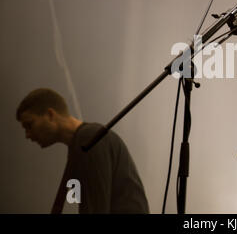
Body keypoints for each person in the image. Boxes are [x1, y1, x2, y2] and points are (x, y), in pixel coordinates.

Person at [16, 88, 150, 214]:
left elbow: (96, 209)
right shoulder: (81, 144)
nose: (28, 135)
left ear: (50, 115)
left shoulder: (89, 140)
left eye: (29, 125)